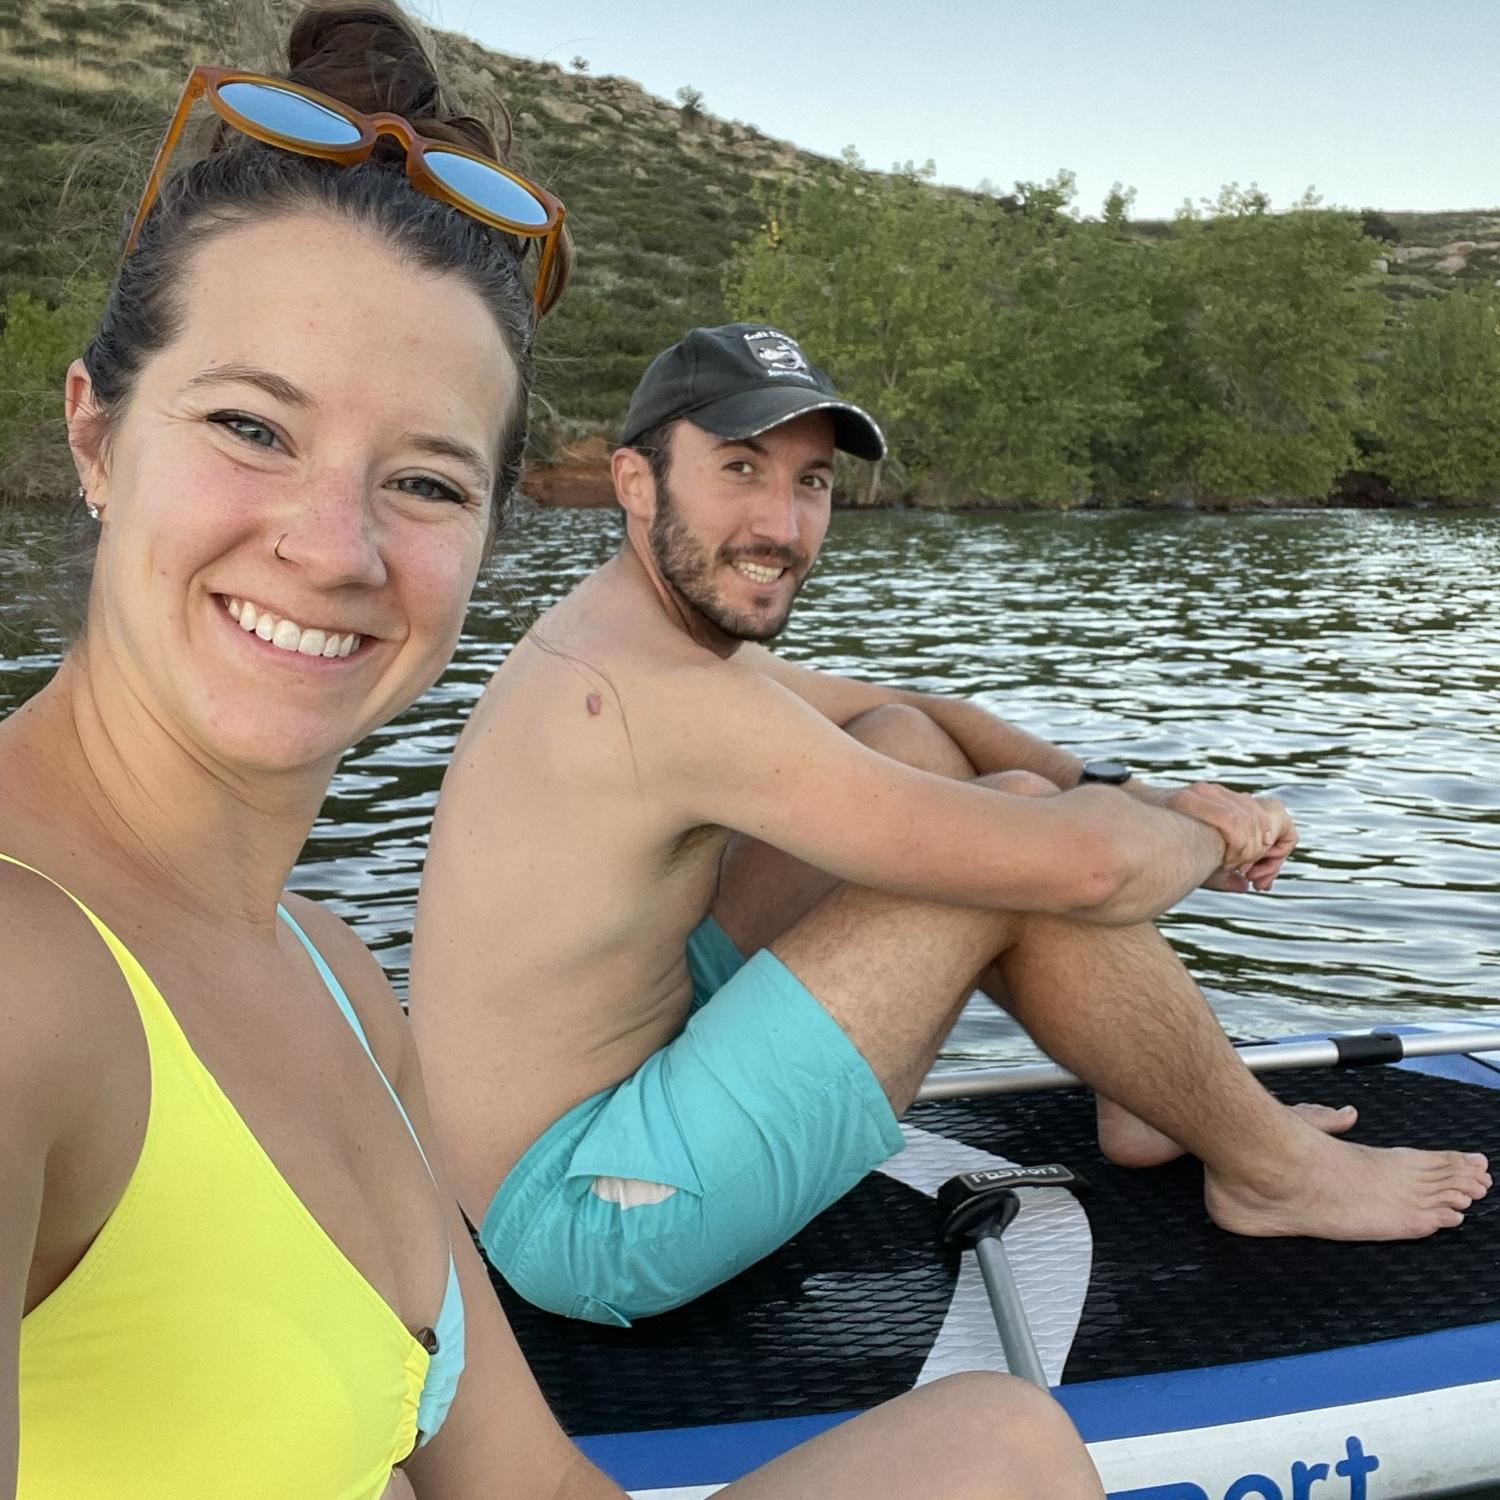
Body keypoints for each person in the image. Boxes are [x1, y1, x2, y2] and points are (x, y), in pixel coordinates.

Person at [0, 9, 1106, 1498]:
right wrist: (1172, 822)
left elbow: (526, 1485)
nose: (335, 547)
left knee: (1005, 1445)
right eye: (253, 427)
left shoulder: (332, 977)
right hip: (584, 1210)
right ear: (95, 434)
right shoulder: (21, 981)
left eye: (425, 481)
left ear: (488, 533)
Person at [411, 321, 1491, 1330]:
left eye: (811, 481)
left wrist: (1141, 794)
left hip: (627, 1052)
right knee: (1015, 858)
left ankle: (1155, 1100)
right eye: (740, 469)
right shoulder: (650, 692)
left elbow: (923, 709)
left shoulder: (634, 629)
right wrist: (1209, 832)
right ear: (636, 481)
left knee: (912, 745)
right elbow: (1088, 869)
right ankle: (1271, 1174)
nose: (781, 524)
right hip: (583, 1214)